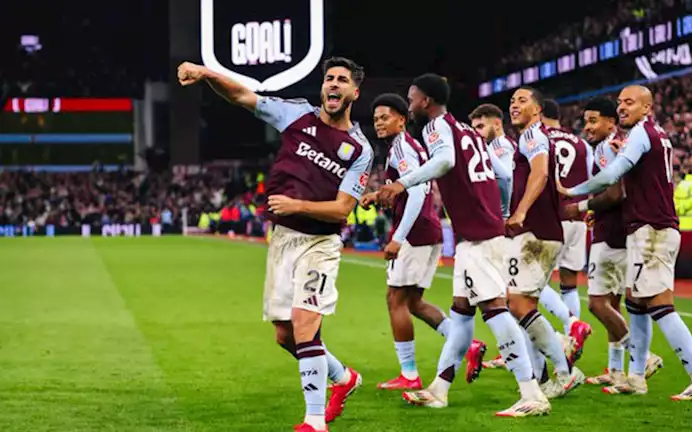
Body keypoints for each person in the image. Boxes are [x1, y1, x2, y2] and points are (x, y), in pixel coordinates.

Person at [178, 57, 371, 431]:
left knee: (304, 323)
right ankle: (343, 377)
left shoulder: (358, 149)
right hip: (282, 239)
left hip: (320, 243)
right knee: (285, 335)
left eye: (342, 80)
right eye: (329, 78)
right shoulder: (296, 115)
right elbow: (242, 95)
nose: (333, 84)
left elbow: (343, 209)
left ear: (354, 92)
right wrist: (206, 74)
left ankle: (314, 421)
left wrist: (298, 205)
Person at [378, 74, 550, 417]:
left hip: (479, 236)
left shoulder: (436, 127)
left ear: (426, 101)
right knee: (460, 312)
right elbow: (503, 174)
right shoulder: (468, 131)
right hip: (480, 233)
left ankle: (532, 392)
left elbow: (445, 162)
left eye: (412, 99)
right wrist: (502, 212)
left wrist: (402, 183)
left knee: (494, 310)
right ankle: (439, 389)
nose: (410, 106)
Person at [560, 85, 692, 400]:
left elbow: (612, 177)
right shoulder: (653, 134)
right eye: (620, 102)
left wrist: (572, 193)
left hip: (652, 229)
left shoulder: (641, 134)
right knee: (635, 303)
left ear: (647, 107)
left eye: (629, 103)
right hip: (646, 229)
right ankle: (636, 377)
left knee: (660, 305)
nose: (621, 107)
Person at [563, 97, 663, 386]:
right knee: (613, 305)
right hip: (620, 231)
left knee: (597, 304)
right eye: (585, 121)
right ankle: (616, 371)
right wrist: (596, 211)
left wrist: (583, 206)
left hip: (610, 237)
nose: (587, 127)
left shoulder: (608, 147)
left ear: (611, 122)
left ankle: (642, 356)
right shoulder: (617, 144)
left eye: (593, 121)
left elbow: (616, 193)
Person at [360, 93, 449, 390]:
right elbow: (409, 185)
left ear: (401, 120)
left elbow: (418, 191)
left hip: (414, 233)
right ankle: (466, 343)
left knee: (395, 300)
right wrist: (379, 194)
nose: (379, 123)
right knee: (413, 302)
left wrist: (398, 238)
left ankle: (409, 375)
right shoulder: (407, 146)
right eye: (376, 119)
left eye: (385, 117)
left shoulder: (401, 147)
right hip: (428, 230)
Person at [506, 87, 584, 400]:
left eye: (522, 100)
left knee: (518, 304)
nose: (514, 105)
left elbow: (539, 173)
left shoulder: (533, 135)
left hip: (537, 232)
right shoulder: (534, 137)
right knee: (521, 306)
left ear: (538, 110)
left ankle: (564, 369)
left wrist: (521, 211)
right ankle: (544, 372)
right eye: (512, 101)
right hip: (542, 231)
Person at [539, 98, 593, 362]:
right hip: (577, 218)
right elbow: (593, 179)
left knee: (531, 283)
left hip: (551, 218)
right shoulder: (582, 143)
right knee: (569, 284)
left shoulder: (538, 138)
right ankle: (573, 341)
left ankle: (570, 324)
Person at [468, 103, 515, 217]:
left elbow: (506, 177)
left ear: (497, 124)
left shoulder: (497, 144)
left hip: (509, 214)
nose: (476, 133)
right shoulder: (509, 142)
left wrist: (504, 214)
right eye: (474, 129)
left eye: (480, 126)